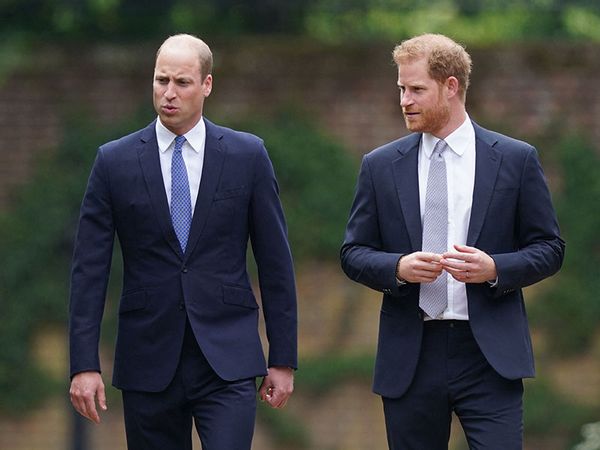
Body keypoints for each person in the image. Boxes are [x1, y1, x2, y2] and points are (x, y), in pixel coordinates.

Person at [68, 34, 297, 450]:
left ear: (207, 84)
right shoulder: (113, 162)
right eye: (161, 81)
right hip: (148, 357)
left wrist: (282, 359)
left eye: (182, 82)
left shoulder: (248, 155)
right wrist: (83, 365)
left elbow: (276, 263)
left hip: (227, 358)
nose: (168, 93)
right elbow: (89, 270)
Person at [340, 33, 564, 449]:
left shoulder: (516, 159)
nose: (405, 100)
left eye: (416, 89)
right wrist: (397, 268)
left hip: (490, 355)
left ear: (451, 86)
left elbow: (550, 248)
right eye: (401, 89)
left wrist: (496, 268)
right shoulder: (380, 165)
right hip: (411, 352)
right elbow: (353, 253)